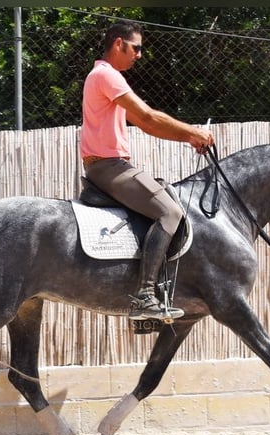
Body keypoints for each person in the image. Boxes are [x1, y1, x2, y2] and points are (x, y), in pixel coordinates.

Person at [81, 21, 214, 321]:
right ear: (118, 44)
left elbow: (146, 125)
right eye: (136, 47)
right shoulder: (107, 76)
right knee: (170, 213)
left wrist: (187, 137)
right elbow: (149, 116)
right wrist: (193, 132)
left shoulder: (103, 78)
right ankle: (144, 296)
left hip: (107, 165)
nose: (139, 55)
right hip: (109, 167)